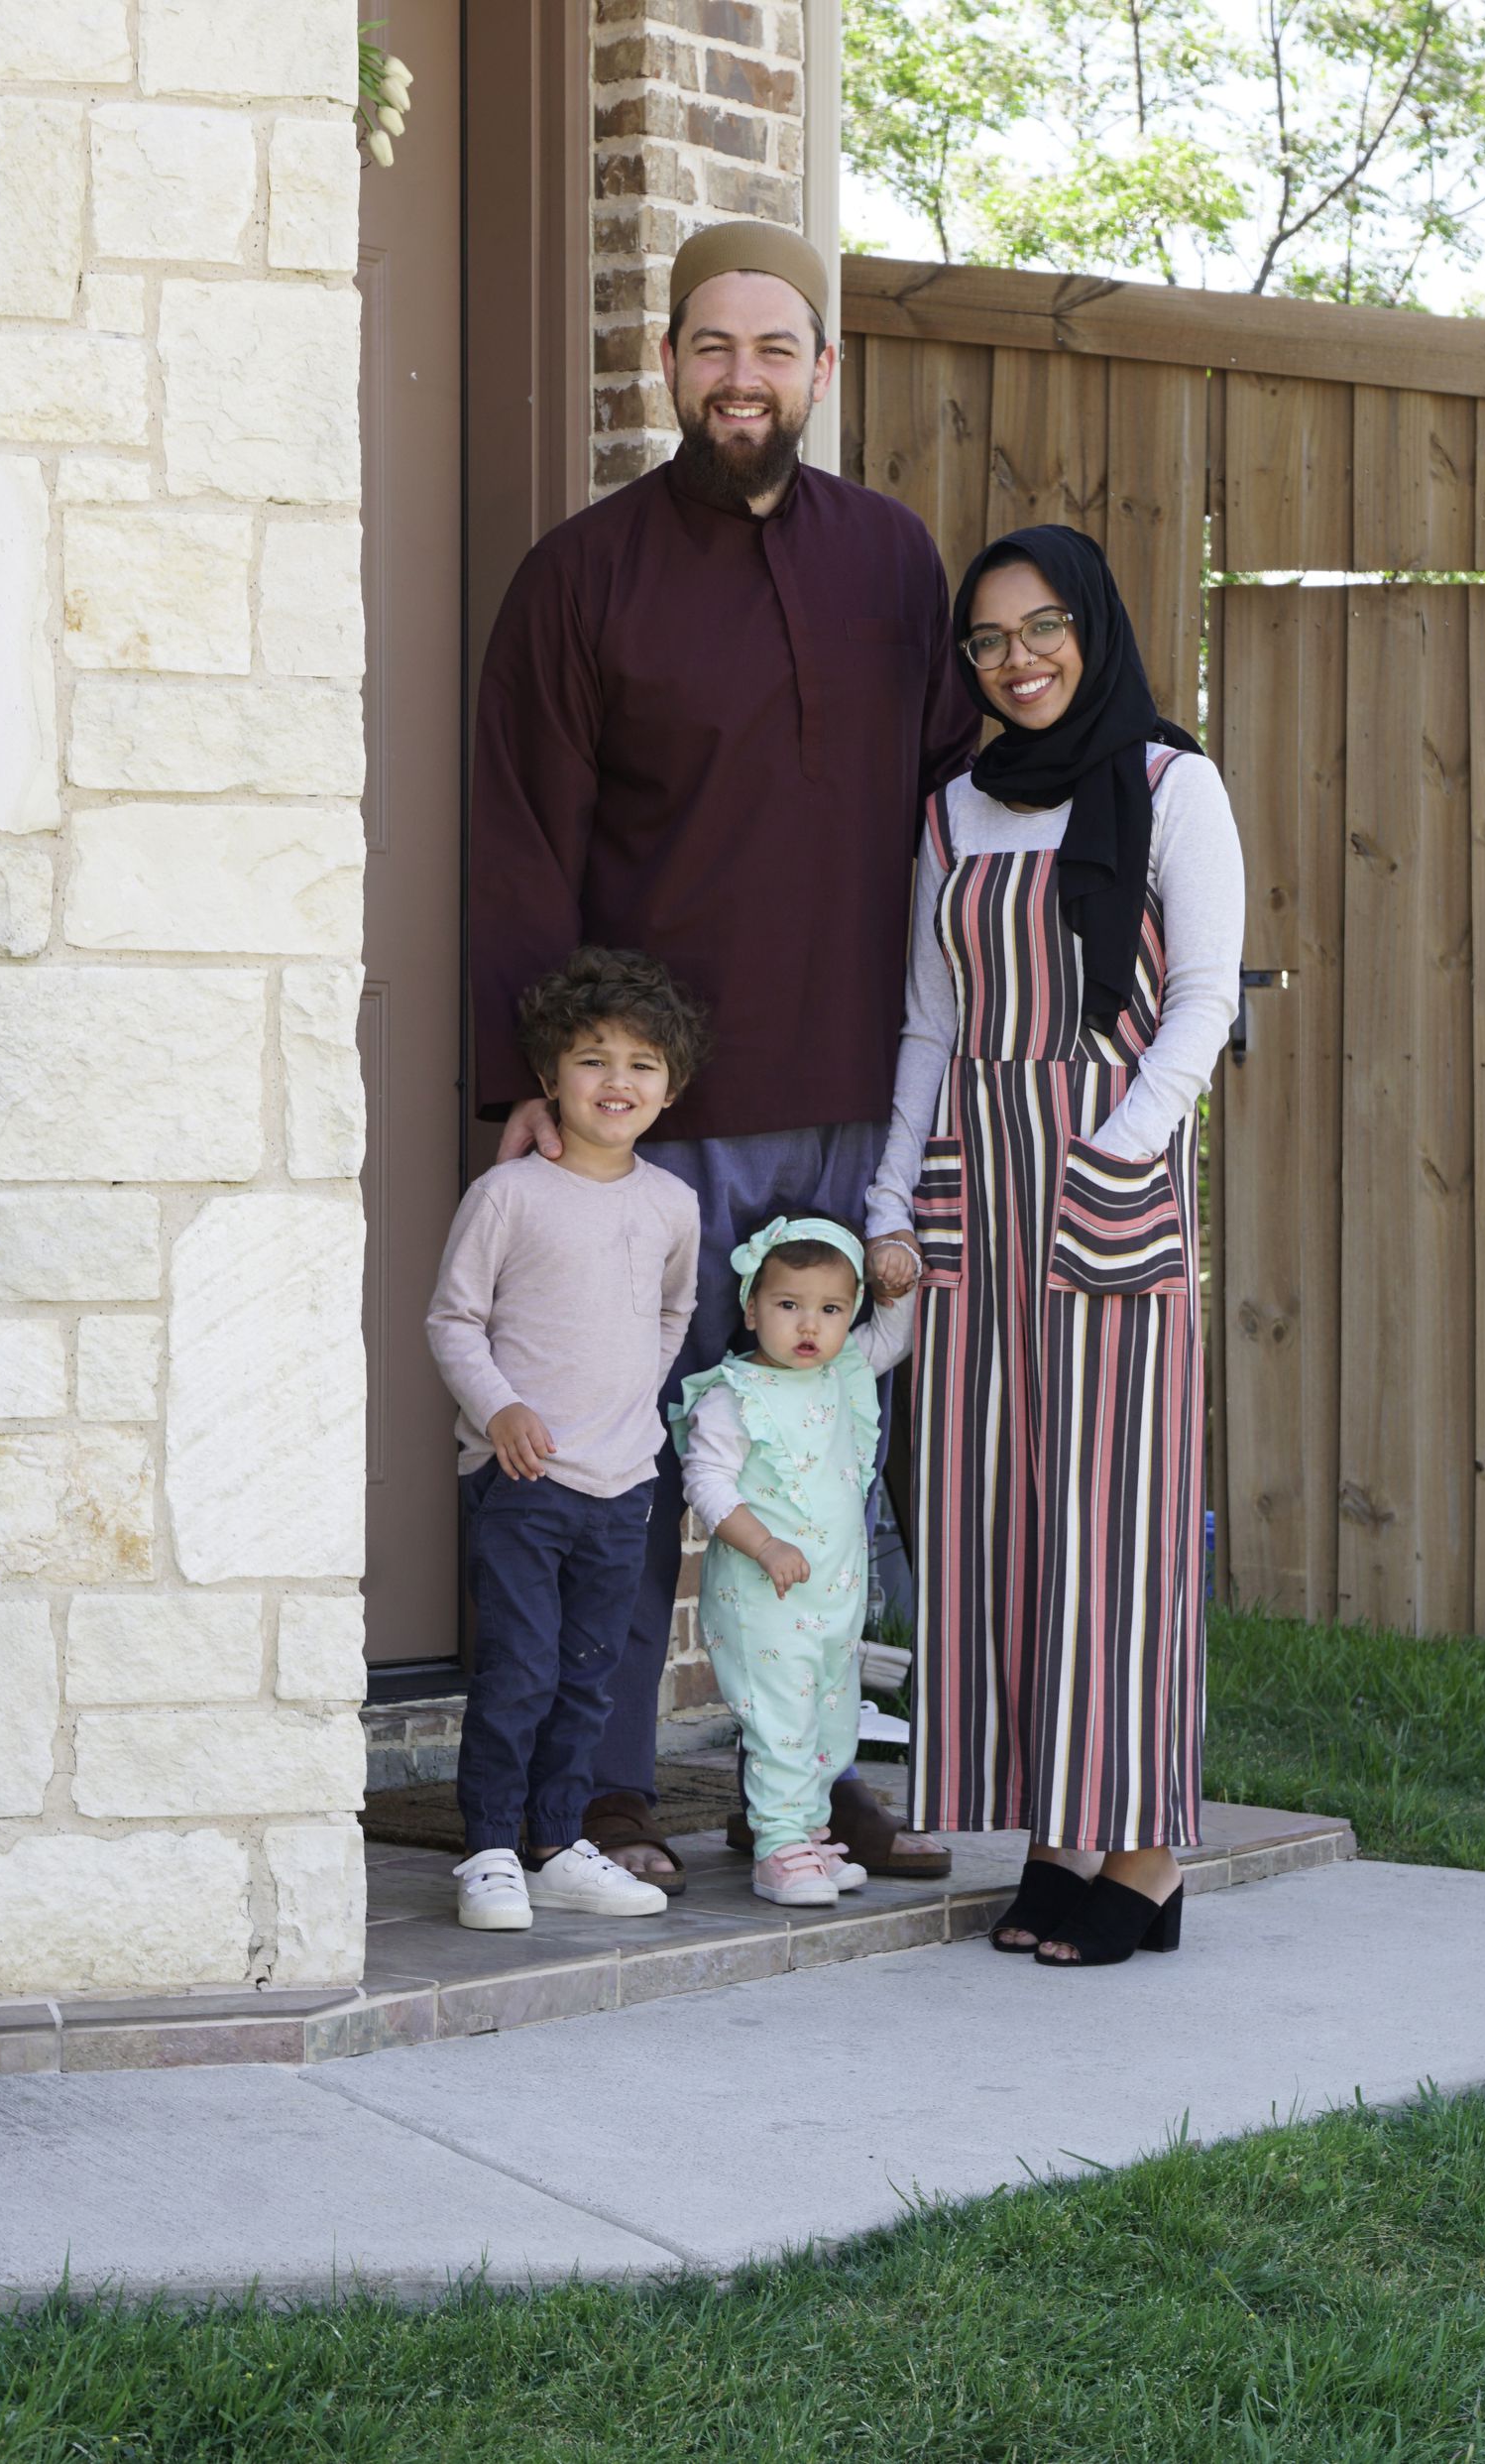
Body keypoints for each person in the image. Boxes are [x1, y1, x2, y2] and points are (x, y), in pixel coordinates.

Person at [468, 217, 978, 1893]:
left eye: (776, 348)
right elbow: (521, 841)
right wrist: (532, 1091)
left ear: (823, 370)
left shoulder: (898, 561)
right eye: (714, 347)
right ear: (668, 360)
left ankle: (812, 1780)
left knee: (825, 1465)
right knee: (616, 1470)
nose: (743, 378)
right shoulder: (579, 577)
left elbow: (961, 794)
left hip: (846, 1107)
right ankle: (592, 1797)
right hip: (646, 1128)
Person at [865, 525, 1244, 1967]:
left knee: (1119, 1527)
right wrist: (896, 1198)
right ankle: (1053, 1831)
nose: (1017, 661)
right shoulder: (954, 805)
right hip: (973, 1180)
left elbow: (1201, 1000)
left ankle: (1142, 1847)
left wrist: (1116, 1158)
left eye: (1042, 630)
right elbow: (929, 1020)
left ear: (1090, 626)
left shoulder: (1166, 782)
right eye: (988, 641)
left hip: (1105, 1175)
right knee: (993, 1523)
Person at [425, 948, 707, 1933]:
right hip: (522, 1477)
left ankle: (556, 1842)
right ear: (551, 1080)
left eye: (640, 1063)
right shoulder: (508, 1194)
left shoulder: (674, 1204)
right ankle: (490, 1848)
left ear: (670, 1088)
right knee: (519, 1669)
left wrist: (632, 1408)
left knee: (589, 1675)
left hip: (621, 1482)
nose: (616, 1080)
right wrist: (499, 1406)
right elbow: (452, 1321)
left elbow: (675, 1315)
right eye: (592, 1059)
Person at [674, 1218, 915, 1906]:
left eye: (831, 1309)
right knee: (781, 1722)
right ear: (752, 1308)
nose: (809, 1325)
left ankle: (808, 1829)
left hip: (830, 1598)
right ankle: (777, 1846)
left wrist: (897, 1281)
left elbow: (896, 1334)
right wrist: (762, 1542)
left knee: (828, 1721)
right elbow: (707, 1478)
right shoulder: (735, 1393)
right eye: (788, 1305)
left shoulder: (842, 1370)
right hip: (764, 1598)